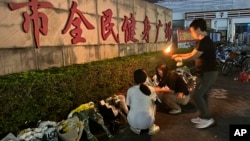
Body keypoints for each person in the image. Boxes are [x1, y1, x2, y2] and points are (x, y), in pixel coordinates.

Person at [172, 18, 218, 129]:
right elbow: (192, 53)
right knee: (203, 95)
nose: (191, 34)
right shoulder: (201, 41)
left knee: (197, 95)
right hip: (202, 73)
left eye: (192, 31)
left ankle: (208, 119)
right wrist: (179, 55)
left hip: (209, 73)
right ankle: (203, 116)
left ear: (198, 29)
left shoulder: (205, 41)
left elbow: (194, 56)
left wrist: (181, 59)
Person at [126, 69, 160, 135]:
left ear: (135, 79)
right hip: (149, 122)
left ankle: (136, 128)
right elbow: (157, 102)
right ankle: (151, 127)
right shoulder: (151, 89)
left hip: (133, 122)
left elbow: (128, 105)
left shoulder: (130, 90)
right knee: (154, 102)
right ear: (145, 78)